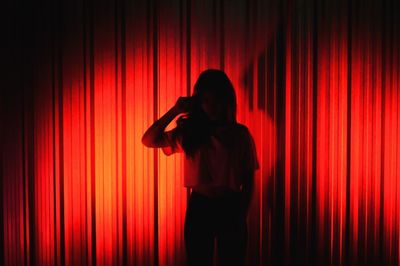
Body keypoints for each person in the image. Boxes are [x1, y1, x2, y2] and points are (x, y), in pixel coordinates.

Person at [141, 69, 259, 266]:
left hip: (230, 206)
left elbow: (248, 180)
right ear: (198, 103)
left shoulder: (240, 135)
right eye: (205, 101)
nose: (211, 107)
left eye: (215, 100)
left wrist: (241, 215)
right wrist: (175, 110)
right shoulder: (191, 133)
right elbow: (148, 140)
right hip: (200, 206)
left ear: (226, 101)